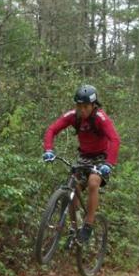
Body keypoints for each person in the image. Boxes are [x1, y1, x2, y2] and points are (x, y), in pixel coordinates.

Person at [42, 84, 120, 243]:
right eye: (79, 106)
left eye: (85, 107)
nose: (82, 110)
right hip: (83, 157)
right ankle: (73, 225)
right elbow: (52, 130)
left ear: (93, 105)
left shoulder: (100, 118)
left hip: (100, 158)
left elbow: (115, 140)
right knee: (73, 187)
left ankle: (88, 225)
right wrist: (48, 149)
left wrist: (109, 164)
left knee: (93, 182)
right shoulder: (73, 116)